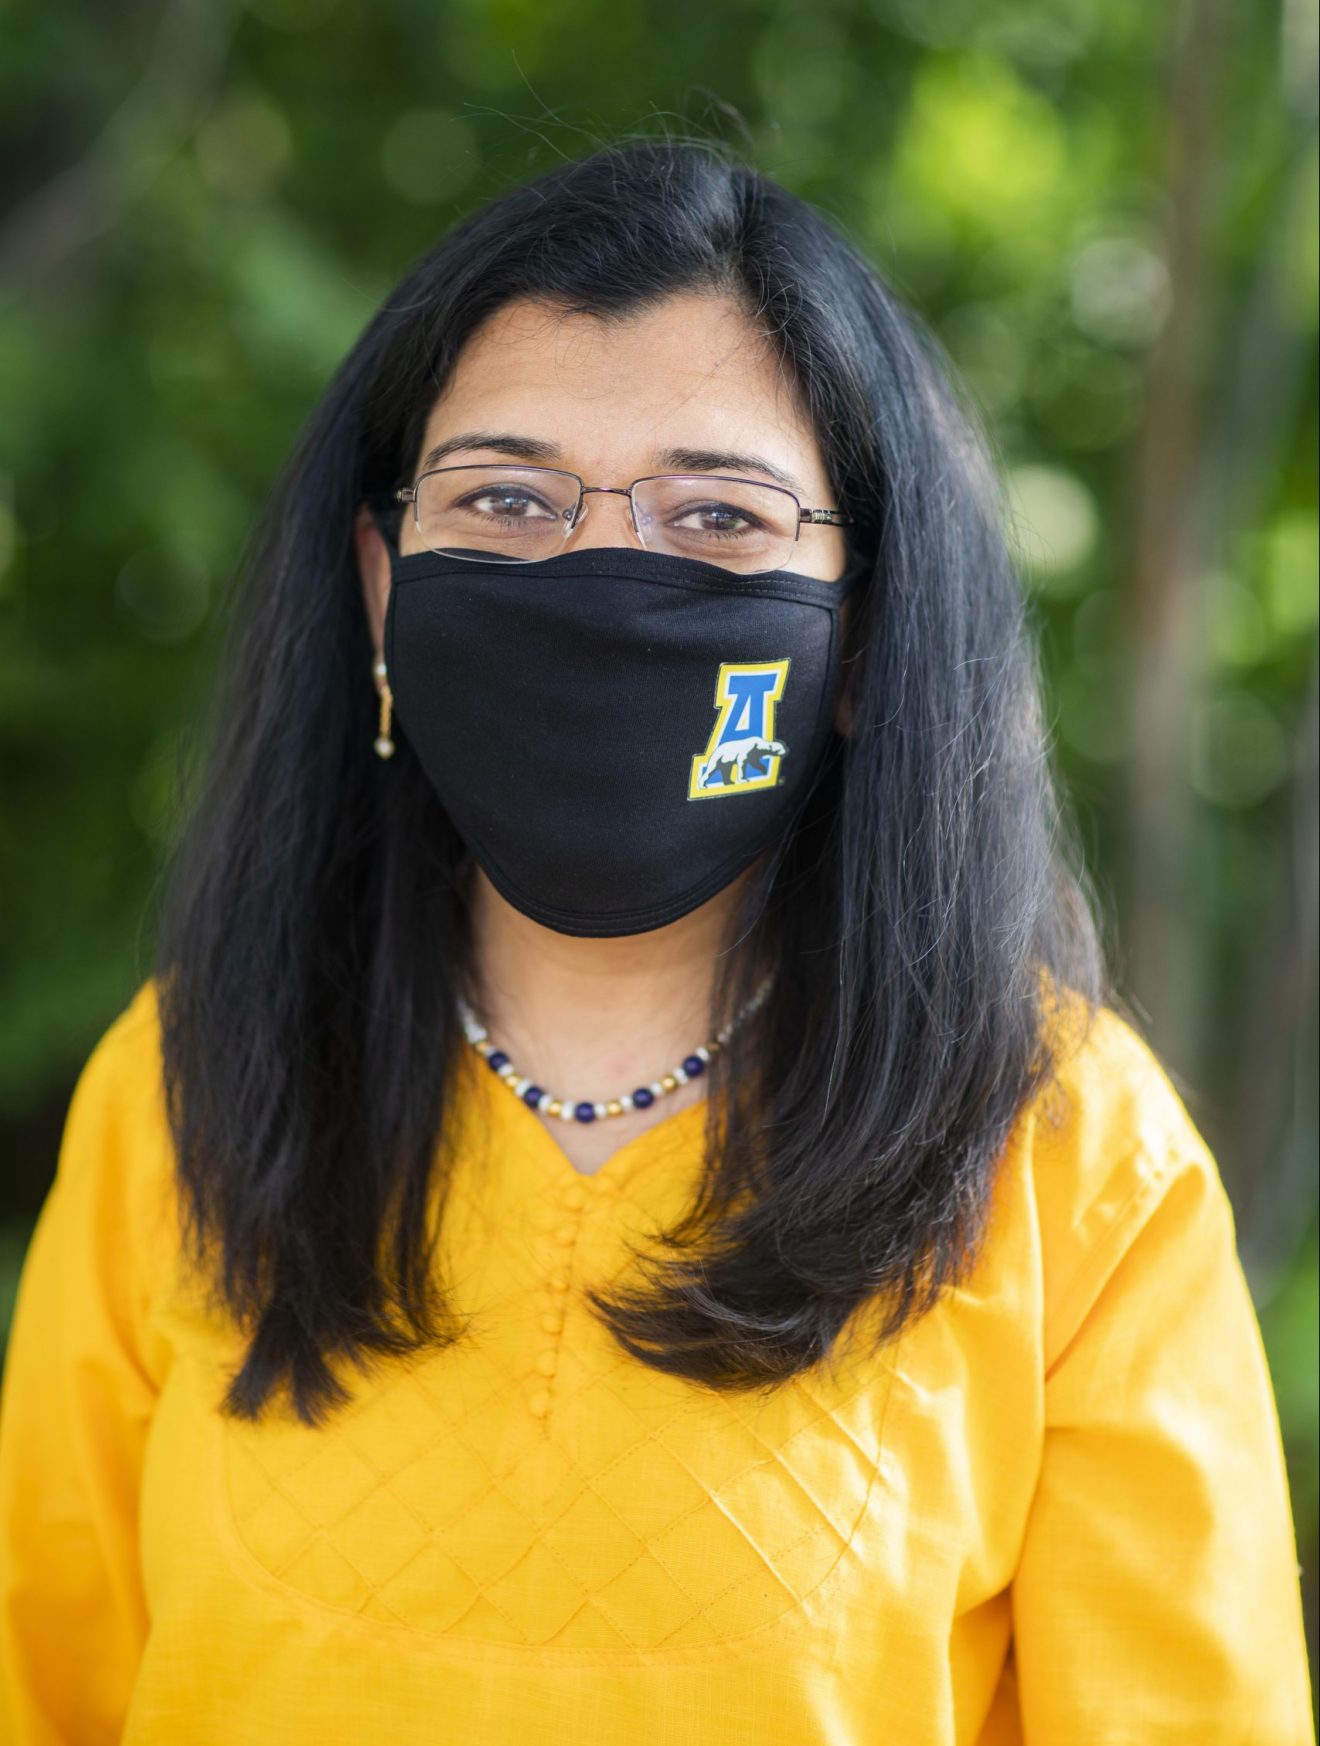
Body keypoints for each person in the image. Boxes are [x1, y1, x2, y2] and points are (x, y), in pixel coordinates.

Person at [0, 134, 1312, 1746]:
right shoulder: (187, 1090)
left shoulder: (1070, 1159)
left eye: (718, 517)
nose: (601, 575)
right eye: (505, 498)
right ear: (380, 581)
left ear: (865, 629)